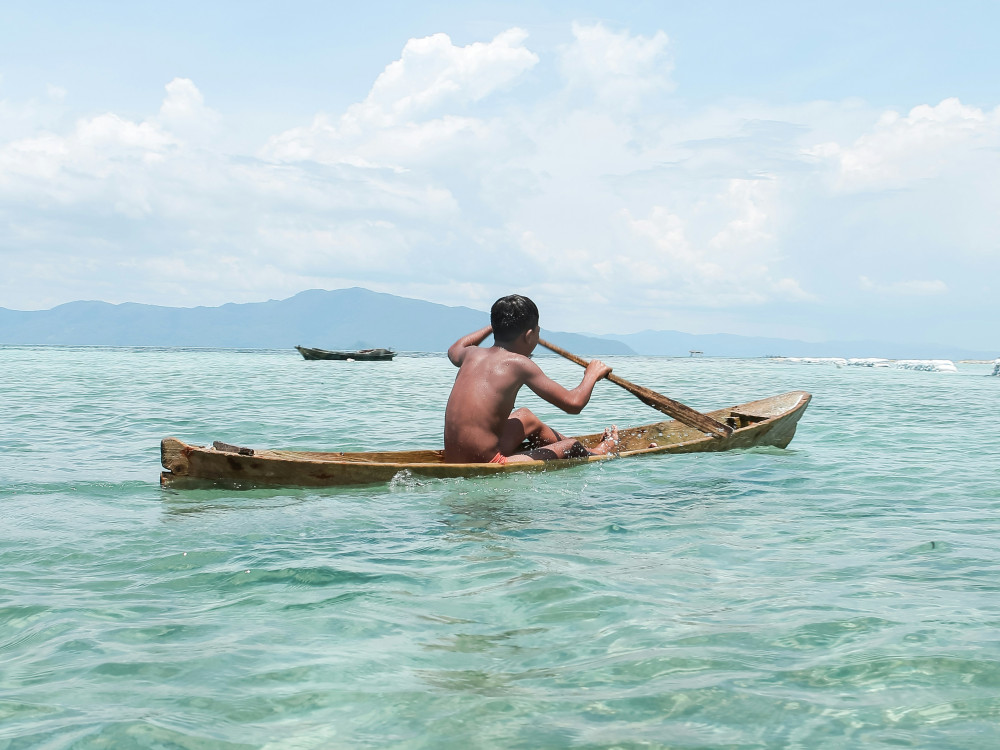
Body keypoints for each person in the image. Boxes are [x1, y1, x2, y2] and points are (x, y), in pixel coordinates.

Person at [443, 294, 619, 464]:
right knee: (571, 446)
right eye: (537, 332)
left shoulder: (471, 353)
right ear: (528, 335)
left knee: (525, 417)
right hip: (489, 462)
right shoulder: (520, 363)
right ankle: (597, 452)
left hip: (455, 457)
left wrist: (495, 326)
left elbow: (454, 348)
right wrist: (592, 374)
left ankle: (584, 449)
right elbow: (573, 404)